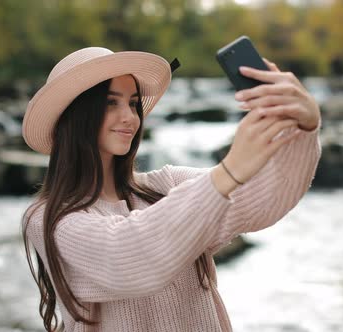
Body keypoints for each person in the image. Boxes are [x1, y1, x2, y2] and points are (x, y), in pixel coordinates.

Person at [21, 46, 321, 332]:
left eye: (133, 103)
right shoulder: (49, 219)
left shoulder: (166, 185)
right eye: (111, 102)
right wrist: (229, 172)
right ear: (76, 117)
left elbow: (265, 196)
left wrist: (303, 127)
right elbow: (128, 256)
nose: (129, 117)